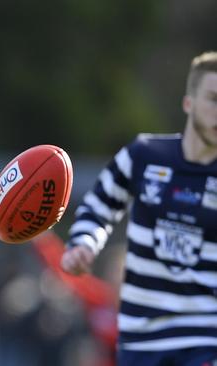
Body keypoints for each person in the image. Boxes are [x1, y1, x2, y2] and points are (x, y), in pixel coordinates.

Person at [61, 51, 217, 366]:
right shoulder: (143, 155)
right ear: (188, 103)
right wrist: (83, 244)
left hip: (205, 338)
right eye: (214, 99)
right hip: (140, 340)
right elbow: (98, 207)